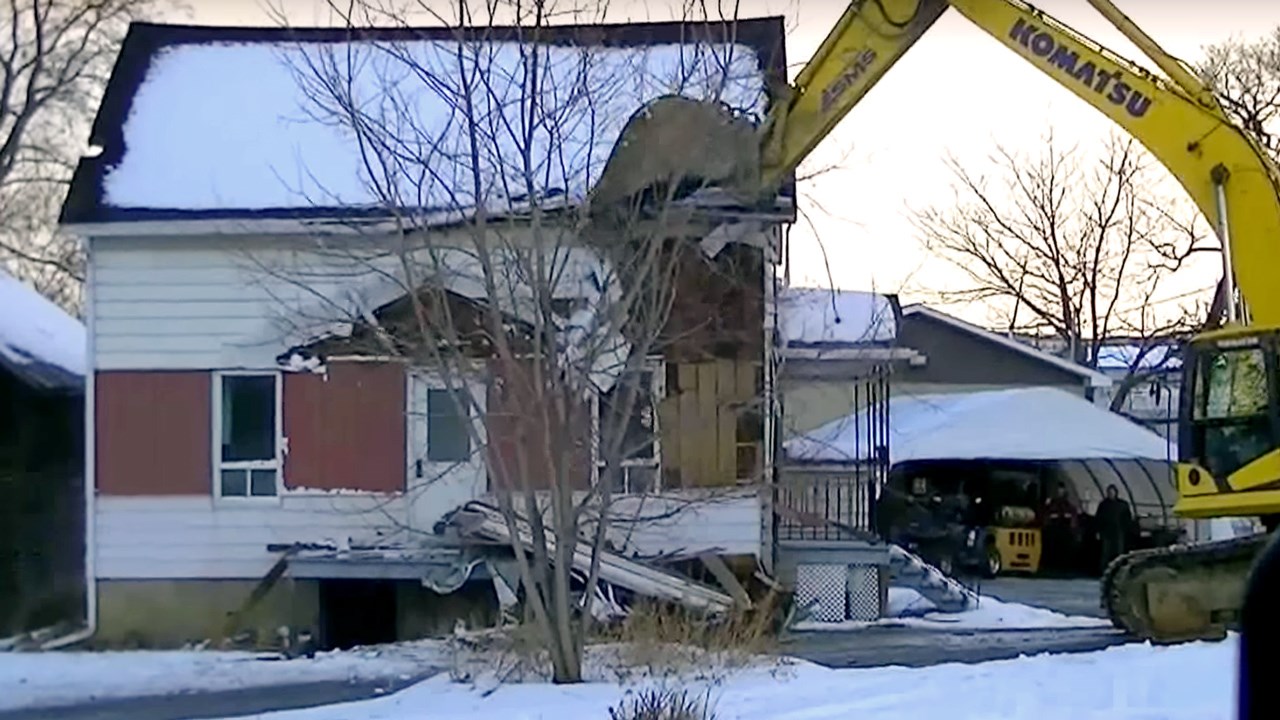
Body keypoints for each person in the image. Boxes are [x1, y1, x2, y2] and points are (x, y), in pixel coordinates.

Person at [1042, 482, 1080, 573]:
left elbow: (1072, 514)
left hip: (1064, 529)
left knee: (1063, 547)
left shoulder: (1067, 503)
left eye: (1061, 490)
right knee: (1053, 546)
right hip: (1054, 528)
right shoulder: (1052, 503)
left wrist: (1072, 525)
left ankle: (1063, 565)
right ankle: (1052, 564)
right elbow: (1046, 514)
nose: (1060, 492)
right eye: (1058, 490)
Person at [1095, 484, 1134, 572]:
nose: (1110, 494)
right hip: (1106, 532)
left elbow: (1127, 518)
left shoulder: (1122, 505)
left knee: (1118, 552)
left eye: (1112, 492)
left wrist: (1126, 529)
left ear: (1116, 493)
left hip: (1118, 531)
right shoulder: (1103, 505)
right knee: (1105, 553)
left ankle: (1118, 570)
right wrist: (1098, 531)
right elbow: (1098, 518)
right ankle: (1104, 570)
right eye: (1109, 492)